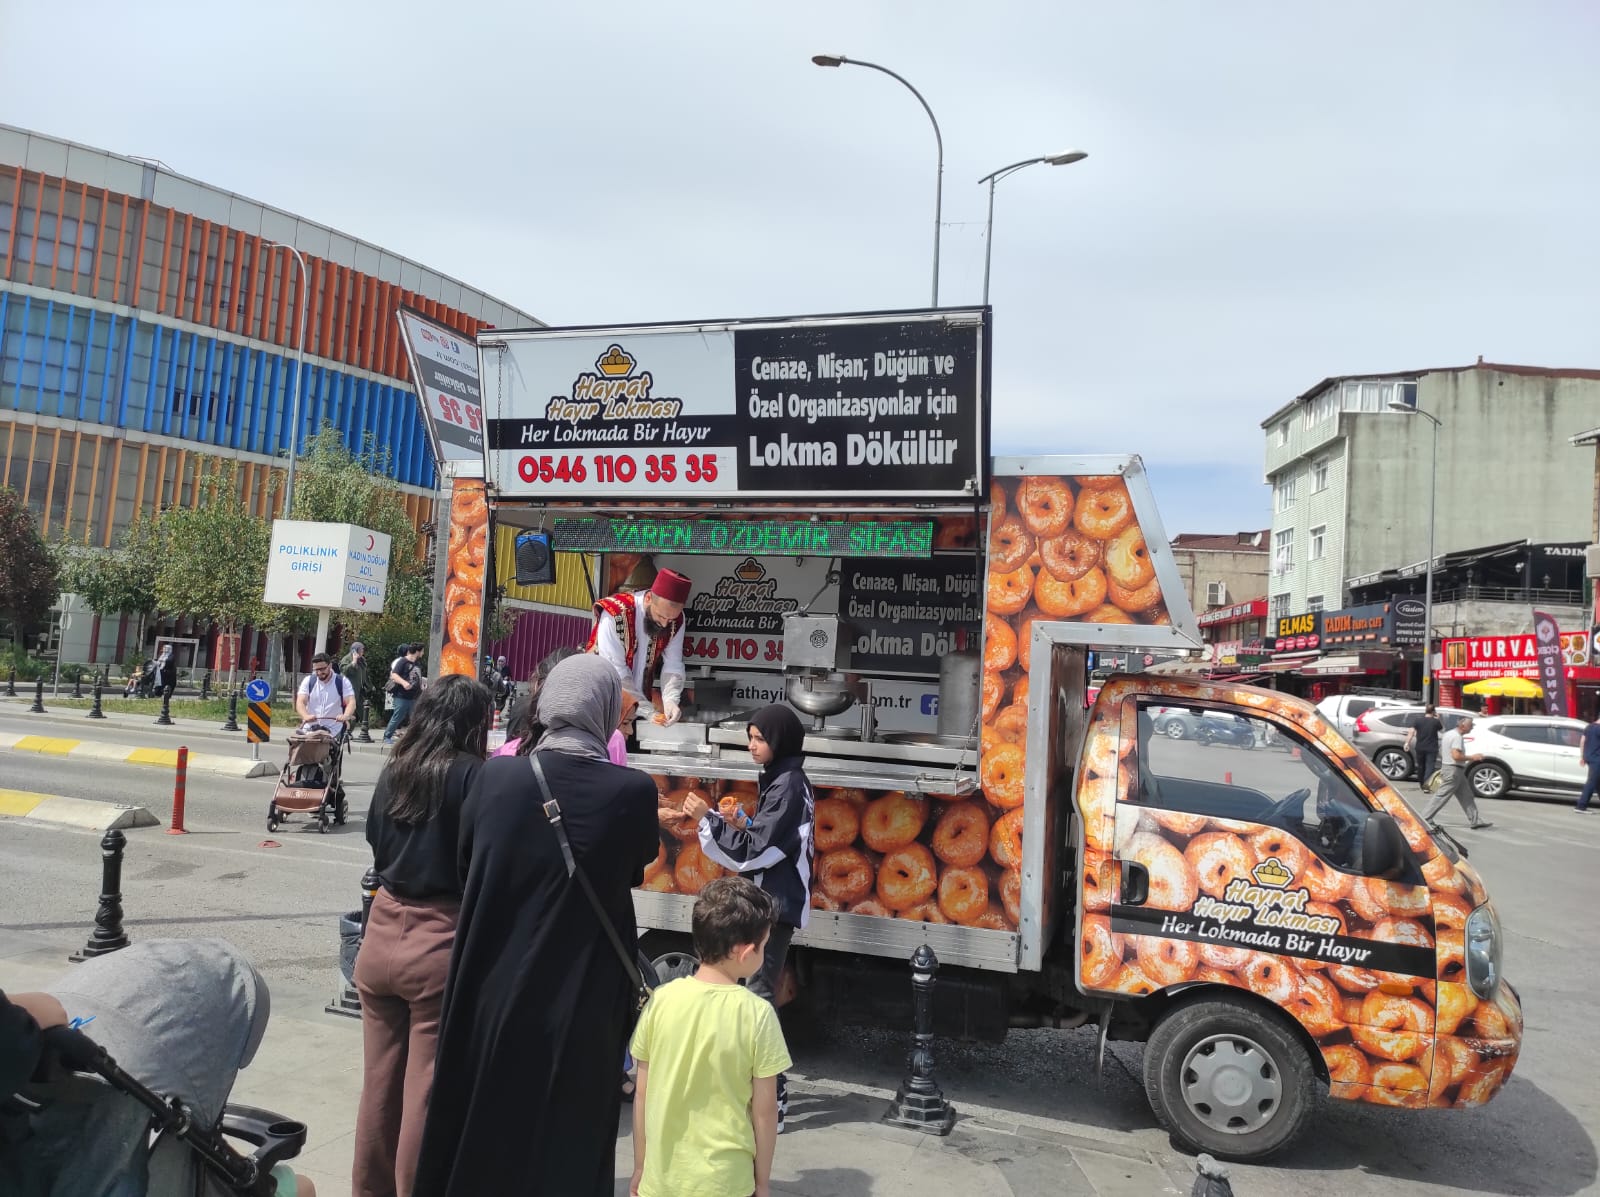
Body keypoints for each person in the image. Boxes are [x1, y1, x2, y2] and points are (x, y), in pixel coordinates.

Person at [413, 654, 659, 1196]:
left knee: (486, 1120)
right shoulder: (632, 792)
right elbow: (636, 868)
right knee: (570, 1131)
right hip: (582, 995)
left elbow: (466, 863)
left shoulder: (495, 778)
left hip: (492, 984)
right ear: (600, 709)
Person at [354, 674, 493, 1197]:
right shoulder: (475, 777)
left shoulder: (397, 768)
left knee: (379, 1086)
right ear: (472, 722)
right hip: (438, 939)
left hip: (381, 932)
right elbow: (485, 861)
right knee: (425, 1090)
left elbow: (374, 838)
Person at [682, 703, 814, 1132]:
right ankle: (763, 1090)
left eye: (759, 739)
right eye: (751, 738)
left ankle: (770, 1097)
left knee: (758, 996)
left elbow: (758, 851)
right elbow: (769, 838)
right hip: (774, 900)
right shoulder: (785, 780)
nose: (752, 746)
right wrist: (743, 821)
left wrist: (708, 821)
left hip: (774, 905)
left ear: (780, 741)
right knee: (757, 993)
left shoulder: (789, 784)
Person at [628, 878, 790, 1197]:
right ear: (744, 952)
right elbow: (765, 1111)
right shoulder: (758, 1015)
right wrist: (761, 1182)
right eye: (765, 944)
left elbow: (642, 1097)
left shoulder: (661, 1000)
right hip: (726, 1183)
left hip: (662, 1181)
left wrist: (640, 1166)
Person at [587, 566, 692, 725]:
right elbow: (617, 674)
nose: (664, 624)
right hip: (603, 704)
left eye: (669, 620)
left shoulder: (676, 620)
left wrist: (670, 700)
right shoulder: (614, 614)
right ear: (649, 598)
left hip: (636, 712)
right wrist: (648, 711)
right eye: (660, 616)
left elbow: (673, 664)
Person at [1421, 715, 1494, 830]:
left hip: (1453, 769)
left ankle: (1475, 820)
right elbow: (1456, 755)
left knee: (1466, 796)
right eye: (1471, 725)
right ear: (1462, 725)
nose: (1472, 728)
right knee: (1442, 795)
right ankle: (1425, 818)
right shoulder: (1457, 737)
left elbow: (1441, 751)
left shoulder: (1449, 734)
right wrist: (1472, 758)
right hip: (1453, 769)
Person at [296, 652, 356, 735]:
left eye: (322, 669)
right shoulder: (308, 681)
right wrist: (305, 716)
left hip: (333, 730)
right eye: (316, 670)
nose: (319, 673)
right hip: (309, 728)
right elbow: (300, 702)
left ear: (330, 666)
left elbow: (351, 702)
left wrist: (345, 715)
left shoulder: (342, 682)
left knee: (327, 745)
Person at [384, 644, 424, 743]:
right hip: (402, 695)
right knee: (398, 716)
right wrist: (404, 683)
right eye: (422, 651)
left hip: (415, 696)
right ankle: (387, 736)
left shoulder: (417, 663)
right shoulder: (403, 662)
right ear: (417, 652)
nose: (423, 653)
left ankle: (415, 739)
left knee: (415, 717)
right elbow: (394, 675)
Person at [1404, 704, 1444, 791]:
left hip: (1420, 747)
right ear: (1433, 712)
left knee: (1421, 766)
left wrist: (1407, 743)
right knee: (1430, 766)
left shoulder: (1418, 721)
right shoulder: (1435, 721)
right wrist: (1438, 718)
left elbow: (1411, 731)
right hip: (1432, 748)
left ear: (1425, 711)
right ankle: (1426, 785)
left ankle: (1422, 784)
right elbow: (1441, 729)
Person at [342, 641, 369, 729]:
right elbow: (344, 671)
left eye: (363, 650)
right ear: (355, 650)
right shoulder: (347, 659)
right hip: (350, 690)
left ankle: (364, 728)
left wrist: (369, 685)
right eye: (361, 650)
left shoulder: (362, 660)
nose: (362, 652)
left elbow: (364, 674)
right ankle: (347, 731)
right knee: (351, 712)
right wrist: (353, 662)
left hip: (359, 691)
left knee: (363, 710)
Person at [1576, 714, 1600, 813]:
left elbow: (1582, 741)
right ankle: (1581, 806)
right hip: (1597, 759)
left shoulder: (1589, 726)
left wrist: (1582, 757)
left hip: (1589, 757)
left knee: (1598, 782)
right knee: (1591, 782)